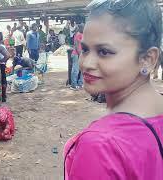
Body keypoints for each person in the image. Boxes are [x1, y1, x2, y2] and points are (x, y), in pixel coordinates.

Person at [64, 0, 163, 179]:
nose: (86, 63)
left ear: (148, 59)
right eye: (85, 49)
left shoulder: (101, 144)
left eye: (104, 52)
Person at [70, 24, 84, 90]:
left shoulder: (82, 34)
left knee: (81, 70)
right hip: (77, 54)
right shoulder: (78, 34)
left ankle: (80, 83)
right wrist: (80, 54)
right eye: (83, 28)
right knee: (76, 70)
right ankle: (73, 85)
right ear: (79, 28)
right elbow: (77, 45)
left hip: (81, 54)